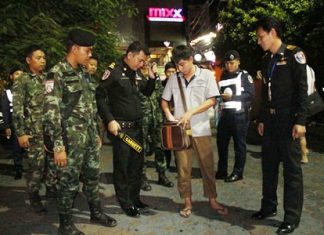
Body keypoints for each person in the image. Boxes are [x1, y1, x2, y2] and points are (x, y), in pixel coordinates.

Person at [43, 29, 117, 235]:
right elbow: (51, 113)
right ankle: (65, 225)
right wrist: (58, 146)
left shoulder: (84, 73)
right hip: (69, 141)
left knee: (93, 177)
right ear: (74, 49)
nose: (90, 55)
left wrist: (95, 135)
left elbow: (90, 107)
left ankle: (96, 212)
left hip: (88, 138)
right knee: (68, 182)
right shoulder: (56, 73)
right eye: (87, 50)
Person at [252, 16, 308, 234]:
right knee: (268, 166)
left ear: (273, 32)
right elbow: (266, 95)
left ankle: (291, 217)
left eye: (261, 36)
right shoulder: (267, 60)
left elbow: (302, 91)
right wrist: (262, 119)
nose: (259, 41)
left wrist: (301, 122)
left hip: (288, 122)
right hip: (271, 122)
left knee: (292, 172)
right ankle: (268, 207)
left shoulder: (294, 55)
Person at [161, 45, 227, 218]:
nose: (179, 68)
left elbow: (212, 100)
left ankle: (212, 199)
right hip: (180, 132)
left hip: (201, 129)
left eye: (182, 64)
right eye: (177, 65)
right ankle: (187, 201)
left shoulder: (205, 75)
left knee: (207, 167)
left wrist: (190, 112)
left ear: (191, 59)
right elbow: (164, 101)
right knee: (183, 169)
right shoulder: (174, 78)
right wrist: (169, 116)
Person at [96, 41, 156, 218]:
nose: (141, 64)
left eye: (144, 61)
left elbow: (146, 92)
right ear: (130, 55)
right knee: (123, 166)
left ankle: (135, 198)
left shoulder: (134, 73)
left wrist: (152, 78)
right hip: (122, 130)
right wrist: (109, 120)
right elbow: (99, 96)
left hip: (136, 129)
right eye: (139, 60)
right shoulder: (114, 72)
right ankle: (125, 203)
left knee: (136, 166)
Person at [12, 45, 57, 213]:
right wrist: (21, 133)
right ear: (28, 60)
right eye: (38, 57)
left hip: (49, 131)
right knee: (36, 166)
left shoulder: (48, 79)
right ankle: (34, 196)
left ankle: (52, 190)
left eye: (44, 57)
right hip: (33, 132)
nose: (42, 61)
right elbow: (17, 109)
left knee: (52, 164)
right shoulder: (23, 80)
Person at [215, 50, 254, 182]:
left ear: (238, 62)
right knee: (221, 144)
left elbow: (250, 95)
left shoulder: (244, 75)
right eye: (227, 63)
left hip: (239, 115)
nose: (229, 66)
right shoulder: (223, 76)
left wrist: (233, 97)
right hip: (225, 115)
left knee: (239, 145)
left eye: (232, 63)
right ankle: (222, 170)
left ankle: (238, 172)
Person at [138, 62, 174, 191]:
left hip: (157, 118)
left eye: (147, 64)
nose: (145, 66)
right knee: (141, 148)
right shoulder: (135, 78)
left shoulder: (156, 79)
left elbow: (161, 96)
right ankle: (142, 177)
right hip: (142, 119)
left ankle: (162, 175)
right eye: (143, 64)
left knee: (160, 147)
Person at [1, 67, 25, 179]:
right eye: (16, 74)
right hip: (15, 125)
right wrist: (7, 126)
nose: (19, 76)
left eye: (21, 74)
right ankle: (18, 168)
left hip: (30, 124)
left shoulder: (29, 90)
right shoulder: (8, 93)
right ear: (11, 77)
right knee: (17, 148)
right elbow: (5, 111)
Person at [162, 62, 177, 169]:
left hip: (177, 116)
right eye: (168, 72)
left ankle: (178, 164)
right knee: (166, 141)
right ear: (165, 72)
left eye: (173, 71)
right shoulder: (161, 85)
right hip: (164, 117)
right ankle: (166, 163)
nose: (171, 74)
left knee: (178, 141)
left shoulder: (180, 84)